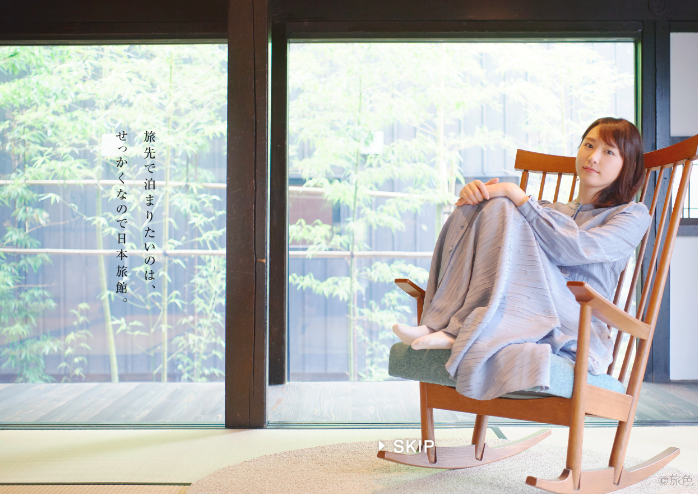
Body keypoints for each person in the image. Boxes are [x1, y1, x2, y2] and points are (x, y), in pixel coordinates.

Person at [391, 117, 652, 401]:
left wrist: (514, 194)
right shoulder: (549, 210)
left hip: (576, 320)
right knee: (492, 205)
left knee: (505, 202)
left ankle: (461, 329)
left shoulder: (631, 215)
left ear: (628, 165)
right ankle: (442, 323)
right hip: (523, 311)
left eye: (609, 151)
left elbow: (575, 249)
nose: (593, 157)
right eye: (588, 145)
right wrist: (475, 198)